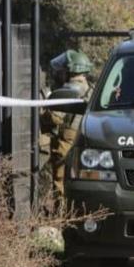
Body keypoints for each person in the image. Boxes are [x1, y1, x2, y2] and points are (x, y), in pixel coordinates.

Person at [42, 50, 93, 205]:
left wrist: (43, 113)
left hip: (67, 140)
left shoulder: (67, 91)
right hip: (87, 139)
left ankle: (62, 217)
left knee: (61, 179)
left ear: (70, 71)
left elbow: (55, 119)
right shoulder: (92, 88)